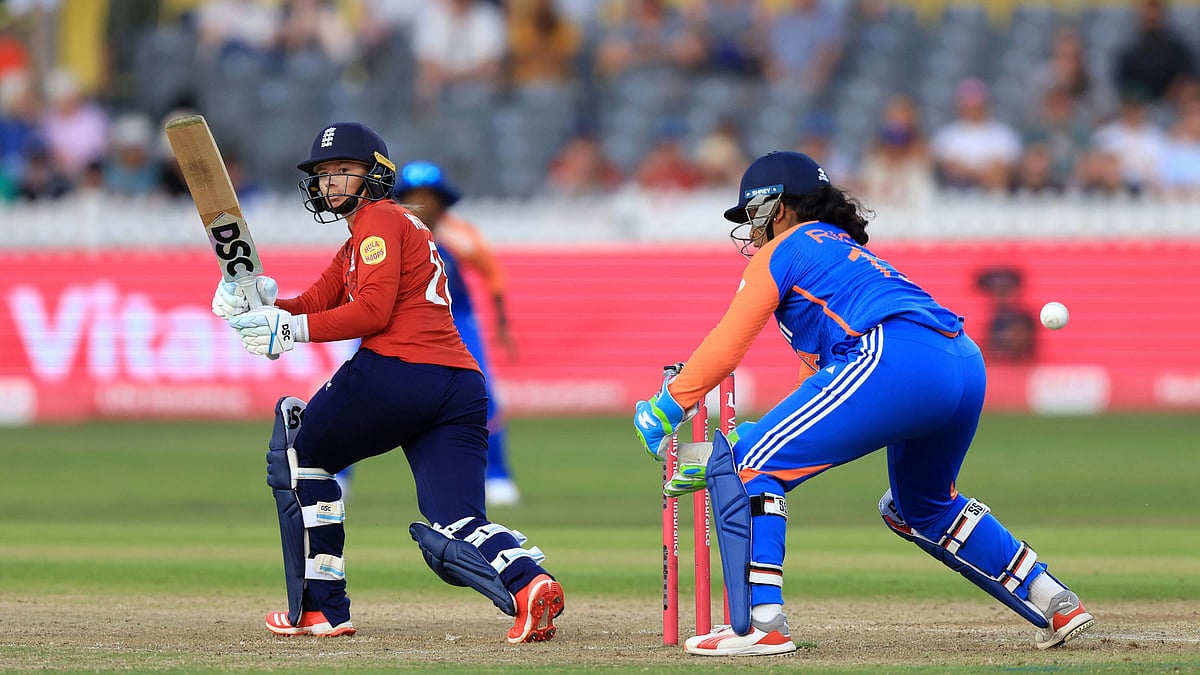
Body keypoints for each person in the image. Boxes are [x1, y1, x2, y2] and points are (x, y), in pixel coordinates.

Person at [633, 151, 1094, 656]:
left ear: (780, 209)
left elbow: (728, 342)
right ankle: (1053, 599)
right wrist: (750, 441)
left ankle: (760, 624)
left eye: (751, 214)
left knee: (747, 467)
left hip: (891, 355)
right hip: (961, 360)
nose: (748, 229)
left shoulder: (784, 249)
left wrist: (668, 406)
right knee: (921, 508)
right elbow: (818, 391)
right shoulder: (840, 250)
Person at [212, 121, 563, 643]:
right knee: (455, 519)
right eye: (324, 174)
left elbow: (371, 312)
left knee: (300, 454)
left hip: (400, 371)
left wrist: (289, 329)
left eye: (343, 172)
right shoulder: (377, 230)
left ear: (376, 175)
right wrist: (262, 304)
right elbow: (316, 301)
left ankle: (321, 609)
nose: (331, 183)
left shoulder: (377, 223)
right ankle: (528, 582)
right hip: (460, 385)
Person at [392, 159, 523, 506]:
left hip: (457, 319)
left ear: (442, 201)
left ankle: (497, 475)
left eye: (429, 197)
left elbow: (493, 273)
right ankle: (338, 475)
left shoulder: (457, 234)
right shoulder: (389, 232)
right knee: (356, 387)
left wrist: (502, 324)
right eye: (413, 197)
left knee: (481, 393)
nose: (422, 205)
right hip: (397, 318)